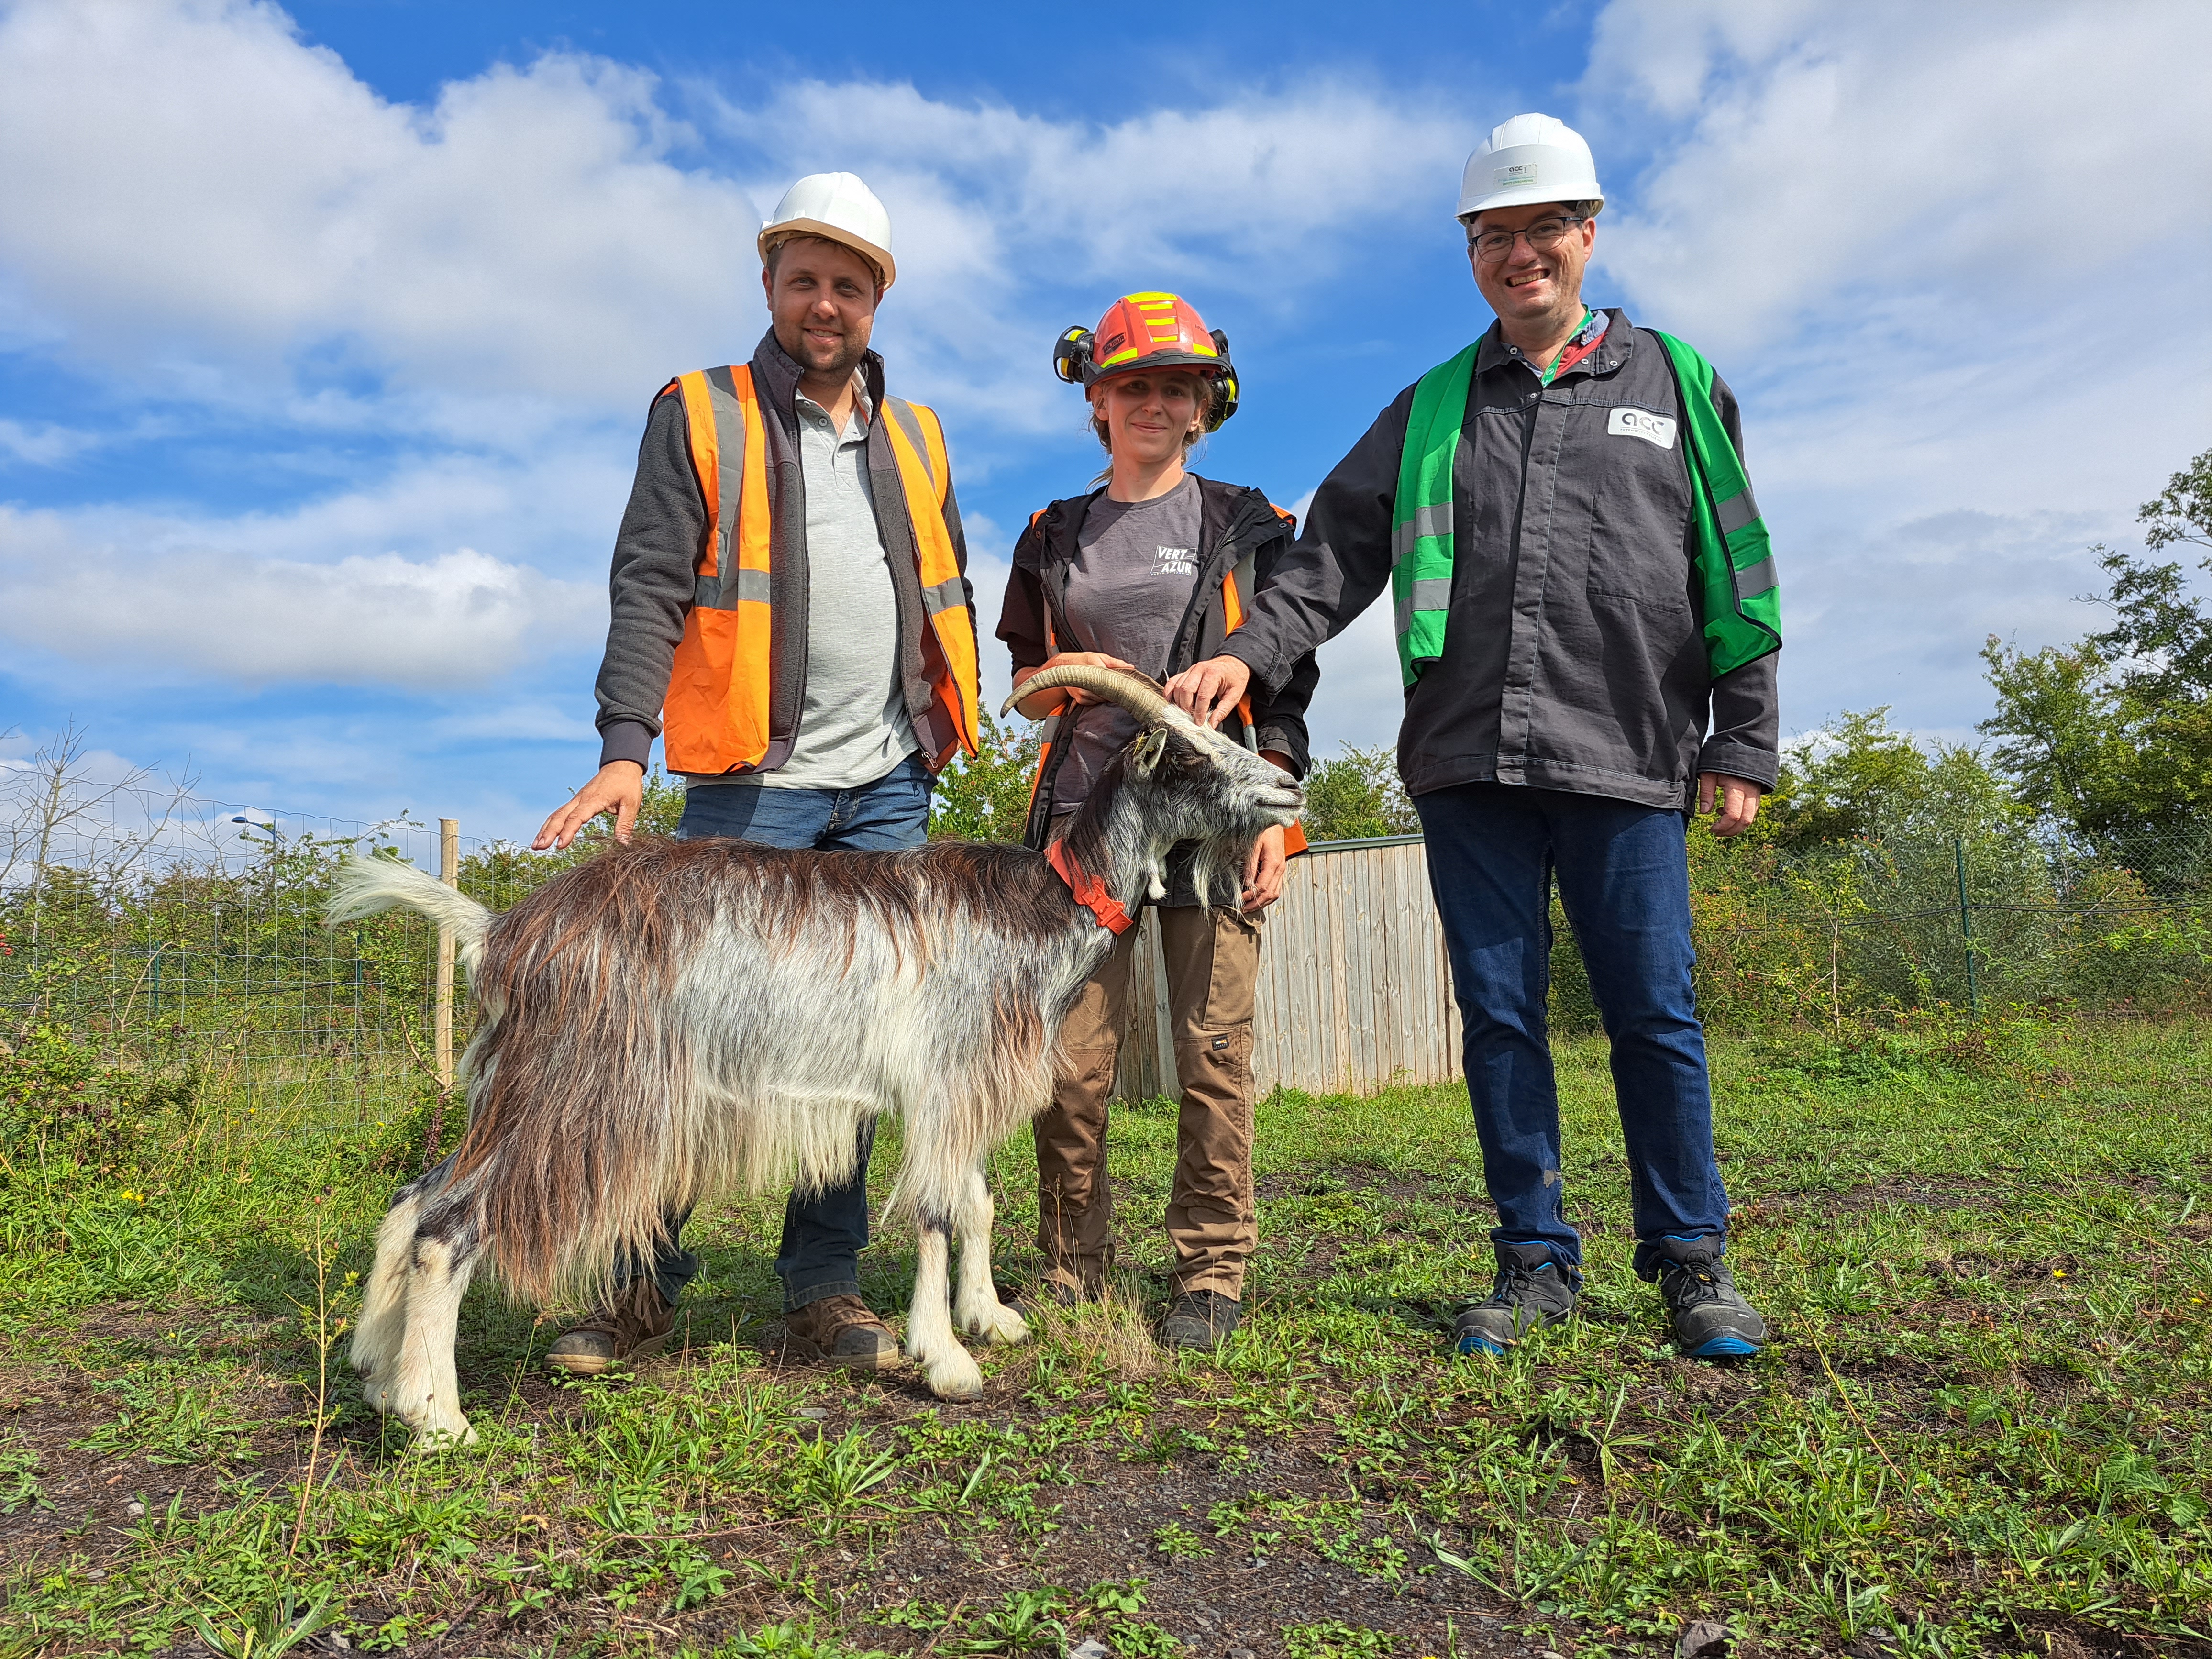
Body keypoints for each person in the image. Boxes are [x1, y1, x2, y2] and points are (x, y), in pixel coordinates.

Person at [1164, 115, 1782, 1360]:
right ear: (1470, 251)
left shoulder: (1675, 385)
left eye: (1543, 226)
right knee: (1499, 1018)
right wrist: (1248, 651)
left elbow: (1735, 565)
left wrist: (1742, 738)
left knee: (1653, 1012)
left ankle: (1691, 1262)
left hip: (1628, 754)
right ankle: (1532, 1261)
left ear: (1588, 234)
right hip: (1468, 762)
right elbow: (1329, 556)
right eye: (1494, 234)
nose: (1520, 253)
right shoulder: (1430, 408)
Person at [531, 172, 982, 1375]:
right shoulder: (700, 411)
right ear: (770, 282)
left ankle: (823, 1291)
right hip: (749, 783)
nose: (824, 305)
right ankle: (633, 1286)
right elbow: (647, 583)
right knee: (683, 1042)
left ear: (877, 299)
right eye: (804, 280)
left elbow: (944, 585)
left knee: (860, 1054)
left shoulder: (918, 434)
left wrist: (940, 726)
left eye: (848, 286)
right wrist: (624, 750)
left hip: (887, 783)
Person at [997, 292, 1317, 1349]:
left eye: (1176, 388)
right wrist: (1068, 675)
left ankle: (1210, 1273)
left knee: (1213, 1053)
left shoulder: (1248, 525)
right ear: (1096, 399)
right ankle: (1069, 1264)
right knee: (1069, 1060)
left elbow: (1286, 683)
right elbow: (1027, 682)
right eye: (1133, 385)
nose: (1154, 404)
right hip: (1083, 833)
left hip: (1215, 827)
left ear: (1204, 405)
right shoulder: (1051, 535)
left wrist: (1271, 813)